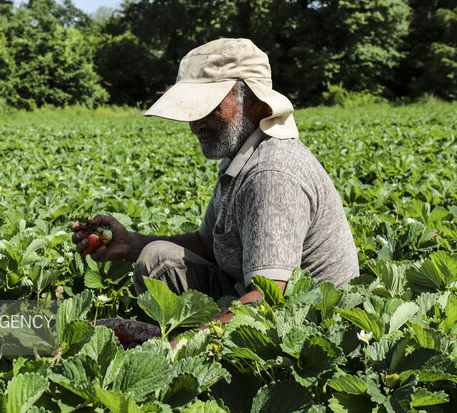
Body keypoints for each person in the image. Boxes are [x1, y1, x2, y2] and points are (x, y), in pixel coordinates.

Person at [71, 38, 359, 324]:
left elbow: (266, 300)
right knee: (157, 258)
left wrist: (181, 349)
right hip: (249, 293)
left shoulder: (272, 174)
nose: (195, 125)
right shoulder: (240, 157)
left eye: (209, 108)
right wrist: (130, 244)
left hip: (308, 321)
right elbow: (207, 243)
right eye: (192, 111)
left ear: (257, 104)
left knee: (161, 324)